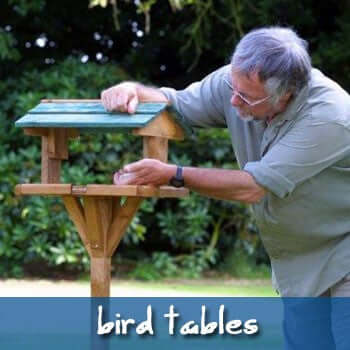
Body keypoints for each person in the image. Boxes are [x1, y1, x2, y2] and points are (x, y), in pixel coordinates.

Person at [101, 26, 350, 348]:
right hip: (299, 262)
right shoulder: (238, 82)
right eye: (233, 86)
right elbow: (175, 104)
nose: (232, 100)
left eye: (246, 96)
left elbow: (253, 187)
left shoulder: (331, 116)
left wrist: (172, 174)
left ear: (285, 94)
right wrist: (131, 90)